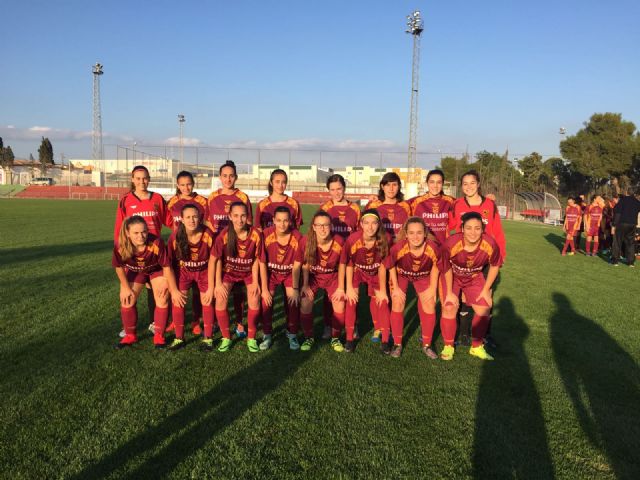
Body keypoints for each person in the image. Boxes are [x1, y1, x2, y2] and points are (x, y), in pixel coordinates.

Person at [449, 170, 506, 347]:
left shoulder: (490, 204)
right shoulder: (457, 204)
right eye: (465, 184)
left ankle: (485, 335)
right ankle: (464, 334)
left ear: (478, 184)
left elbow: (497, 232)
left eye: (472, 183)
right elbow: (449, 227)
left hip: (487, 257)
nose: (468, 187)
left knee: (487, 295)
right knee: (465, 296)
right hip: (465, 258)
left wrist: (500, 255)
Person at [114, 165, 172, 337]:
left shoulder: (157, 199)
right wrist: (120, 251)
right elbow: (119, 229)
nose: (142, 181)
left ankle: (156, 322)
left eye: (145, 178)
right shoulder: (125, 200)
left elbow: (169, 220)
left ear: (149, 179)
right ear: (132, 180)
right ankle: (130, 326)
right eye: (138, 178)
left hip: (155, 251)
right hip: (134, 253)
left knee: (157, 289)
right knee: (130, 292)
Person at [439, 212, 503, 361]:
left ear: (482, 229)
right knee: (449, 306)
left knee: (485, 306)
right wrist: (449, 292)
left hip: (474, 277)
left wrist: (486, 289)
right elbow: (446, 268)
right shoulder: (451, 243)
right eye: (468, 228)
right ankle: (448, 346)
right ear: (462, 228)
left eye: (477, 228)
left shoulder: (490, 244)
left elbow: (495, 266)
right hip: (452, 277)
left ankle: (476, 347)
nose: (473, 232)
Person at [207, 160, 253, 338]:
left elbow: (248, 223)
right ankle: (219, 321)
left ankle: (239, 322)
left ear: (236, 177)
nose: (228, 179)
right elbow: (207, 221)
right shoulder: (212, 197)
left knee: (238, 289)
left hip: (238, 249)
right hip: (219, 249)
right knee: (219, 287)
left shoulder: (242, 197)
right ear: (220, 177)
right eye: (225, 176)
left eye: (231, 176)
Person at [385, 217, 441, 358]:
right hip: (402, 275)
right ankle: (397, 343)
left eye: (419, 233)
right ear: (406, 234)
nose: (415, 237)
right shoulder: (399, 247)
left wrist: (433, 288)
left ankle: (427, 344)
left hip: (423, 275)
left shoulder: (432, 248)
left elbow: (436, 267)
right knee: (397, 301)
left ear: (425, 233)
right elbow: (390, 265)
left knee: (429, 303)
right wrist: (396, 287)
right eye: (411, 233)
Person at [112, 216, 171, 349]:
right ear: (127, 233)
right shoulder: (120, 245)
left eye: (144, 232)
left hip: (156, 270)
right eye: (136, 233)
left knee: (162, 298)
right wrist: (126, 288)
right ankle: (130, 335)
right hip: (135, 271)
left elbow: (166, 266)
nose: (141, 236)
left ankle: (159, 336)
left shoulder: (156, 242)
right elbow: (118, 267)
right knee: (127, 299)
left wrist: (166, 282)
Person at [212, 202, 263, 352]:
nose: (239, 220)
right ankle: (226, 337)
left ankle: (251, 338)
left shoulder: (255, 234)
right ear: (230, 216)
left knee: (254, 297)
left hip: (248, 272)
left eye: (243, 216)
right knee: (220, 298)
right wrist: (218, 283)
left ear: (247, 217)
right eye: (235, 216)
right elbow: (217, 260)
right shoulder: (225, 235)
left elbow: (256, 260)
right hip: (229, 273)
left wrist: (255, 282)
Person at [165, 204, 215, 350]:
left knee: (207, 301)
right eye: (188, 217)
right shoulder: (175, 236)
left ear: (200, 218)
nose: (192, 220)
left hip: (204, 271)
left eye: (195, 216)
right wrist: (173, 290)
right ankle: (179, 338)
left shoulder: (208, 234)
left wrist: (212, 287)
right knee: (178, 301)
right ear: (181, 219)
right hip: (183, 271)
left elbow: (215, 261)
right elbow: (167, 265)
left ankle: (208, 338)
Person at [167, 171, 210, 336]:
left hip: (198, 249)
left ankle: (196, 320)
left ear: (193, 184)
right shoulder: (171, 202)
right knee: (178, 288)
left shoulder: (202, 202)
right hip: (180, 250)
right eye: (182, 184)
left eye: (189, 184)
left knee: (198, 291)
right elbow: (168, 222)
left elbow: (206, 223)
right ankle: (175, 321)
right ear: (177, 185)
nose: (186, 187)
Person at [319, 174, 361, 340]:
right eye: (333, 189)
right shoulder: (325, 208)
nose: (336, 192)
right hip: (331, 258)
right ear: (328, 191)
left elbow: (359, 234)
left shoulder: (355, 209)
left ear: (344, 188)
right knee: (329, 294)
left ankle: (353, 325)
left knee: (352, 293)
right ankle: (328, 325)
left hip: (350, 258)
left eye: (339, 189)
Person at [341, 209, 390, 352]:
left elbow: (382, 265)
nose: (370, 227)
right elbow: (348, 263)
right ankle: (350, 339)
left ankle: (385, 340)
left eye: (374, 223)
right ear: (361, 224)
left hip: (375, 273)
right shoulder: (353, 240)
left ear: (379, 225)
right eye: (366, 223)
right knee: (351, 301)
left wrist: (382, 289)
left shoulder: (384, 239)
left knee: (382, 300)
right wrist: (349, 287)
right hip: (358, 271)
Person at [298, 211, 346, 352]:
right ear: (313, 227)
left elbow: (342, 265)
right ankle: (309, 337)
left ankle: (335, 338)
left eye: (325, 225)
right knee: (305, 302)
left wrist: (341, 288)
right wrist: (305, 285)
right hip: (314, 277)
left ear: (331, 226)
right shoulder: (307, 241)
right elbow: (305, 265)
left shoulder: (339, 241)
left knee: (340, 302)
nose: (322, 228)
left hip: (332, 277)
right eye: (319, 225)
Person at [260, 206, 302, 350]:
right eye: (278, 220)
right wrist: (264, 289)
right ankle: (267, 334)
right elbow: (262, 263)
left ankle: (292, 333)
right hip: (271, 273)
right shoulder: (265, 235)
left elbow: (297, 266)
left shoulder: (297, 237)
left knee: (293, 300)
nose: (282, 224)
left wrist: (296, 289)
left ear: (290, 221)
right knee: (266, 301)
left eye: (285, 220)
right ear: (273, 221)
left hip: (290, 273)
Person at [409, 169, 455, 245]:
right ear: (427, 183)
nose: (435, 186)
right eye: (432, 182)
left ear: (443, 184)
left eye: (439, 182)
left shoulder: (451, 201)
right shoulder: (416, 202)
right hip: (424, 249)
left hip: (445, 247)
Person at [364, 172, 411, 244]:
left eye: (394, 185)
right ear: (382, 186)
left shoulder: (405, 206)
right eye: (388, 185)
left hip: (399, 249)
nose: (391, 188)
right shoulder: (373, 205)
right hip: (379, 248)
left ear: (399, 186)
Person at [611, 187, 640, 267]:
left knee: (617, 242)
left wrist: (614, 225)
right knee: (630, 243)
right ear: (633, 193)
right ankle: (631, 262)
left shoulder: (622, 200)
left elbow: (617, 213)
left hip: (622, 223)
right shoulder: (637, 202)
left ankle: (615, 261)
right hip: (632, 224)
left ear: (627, 192)